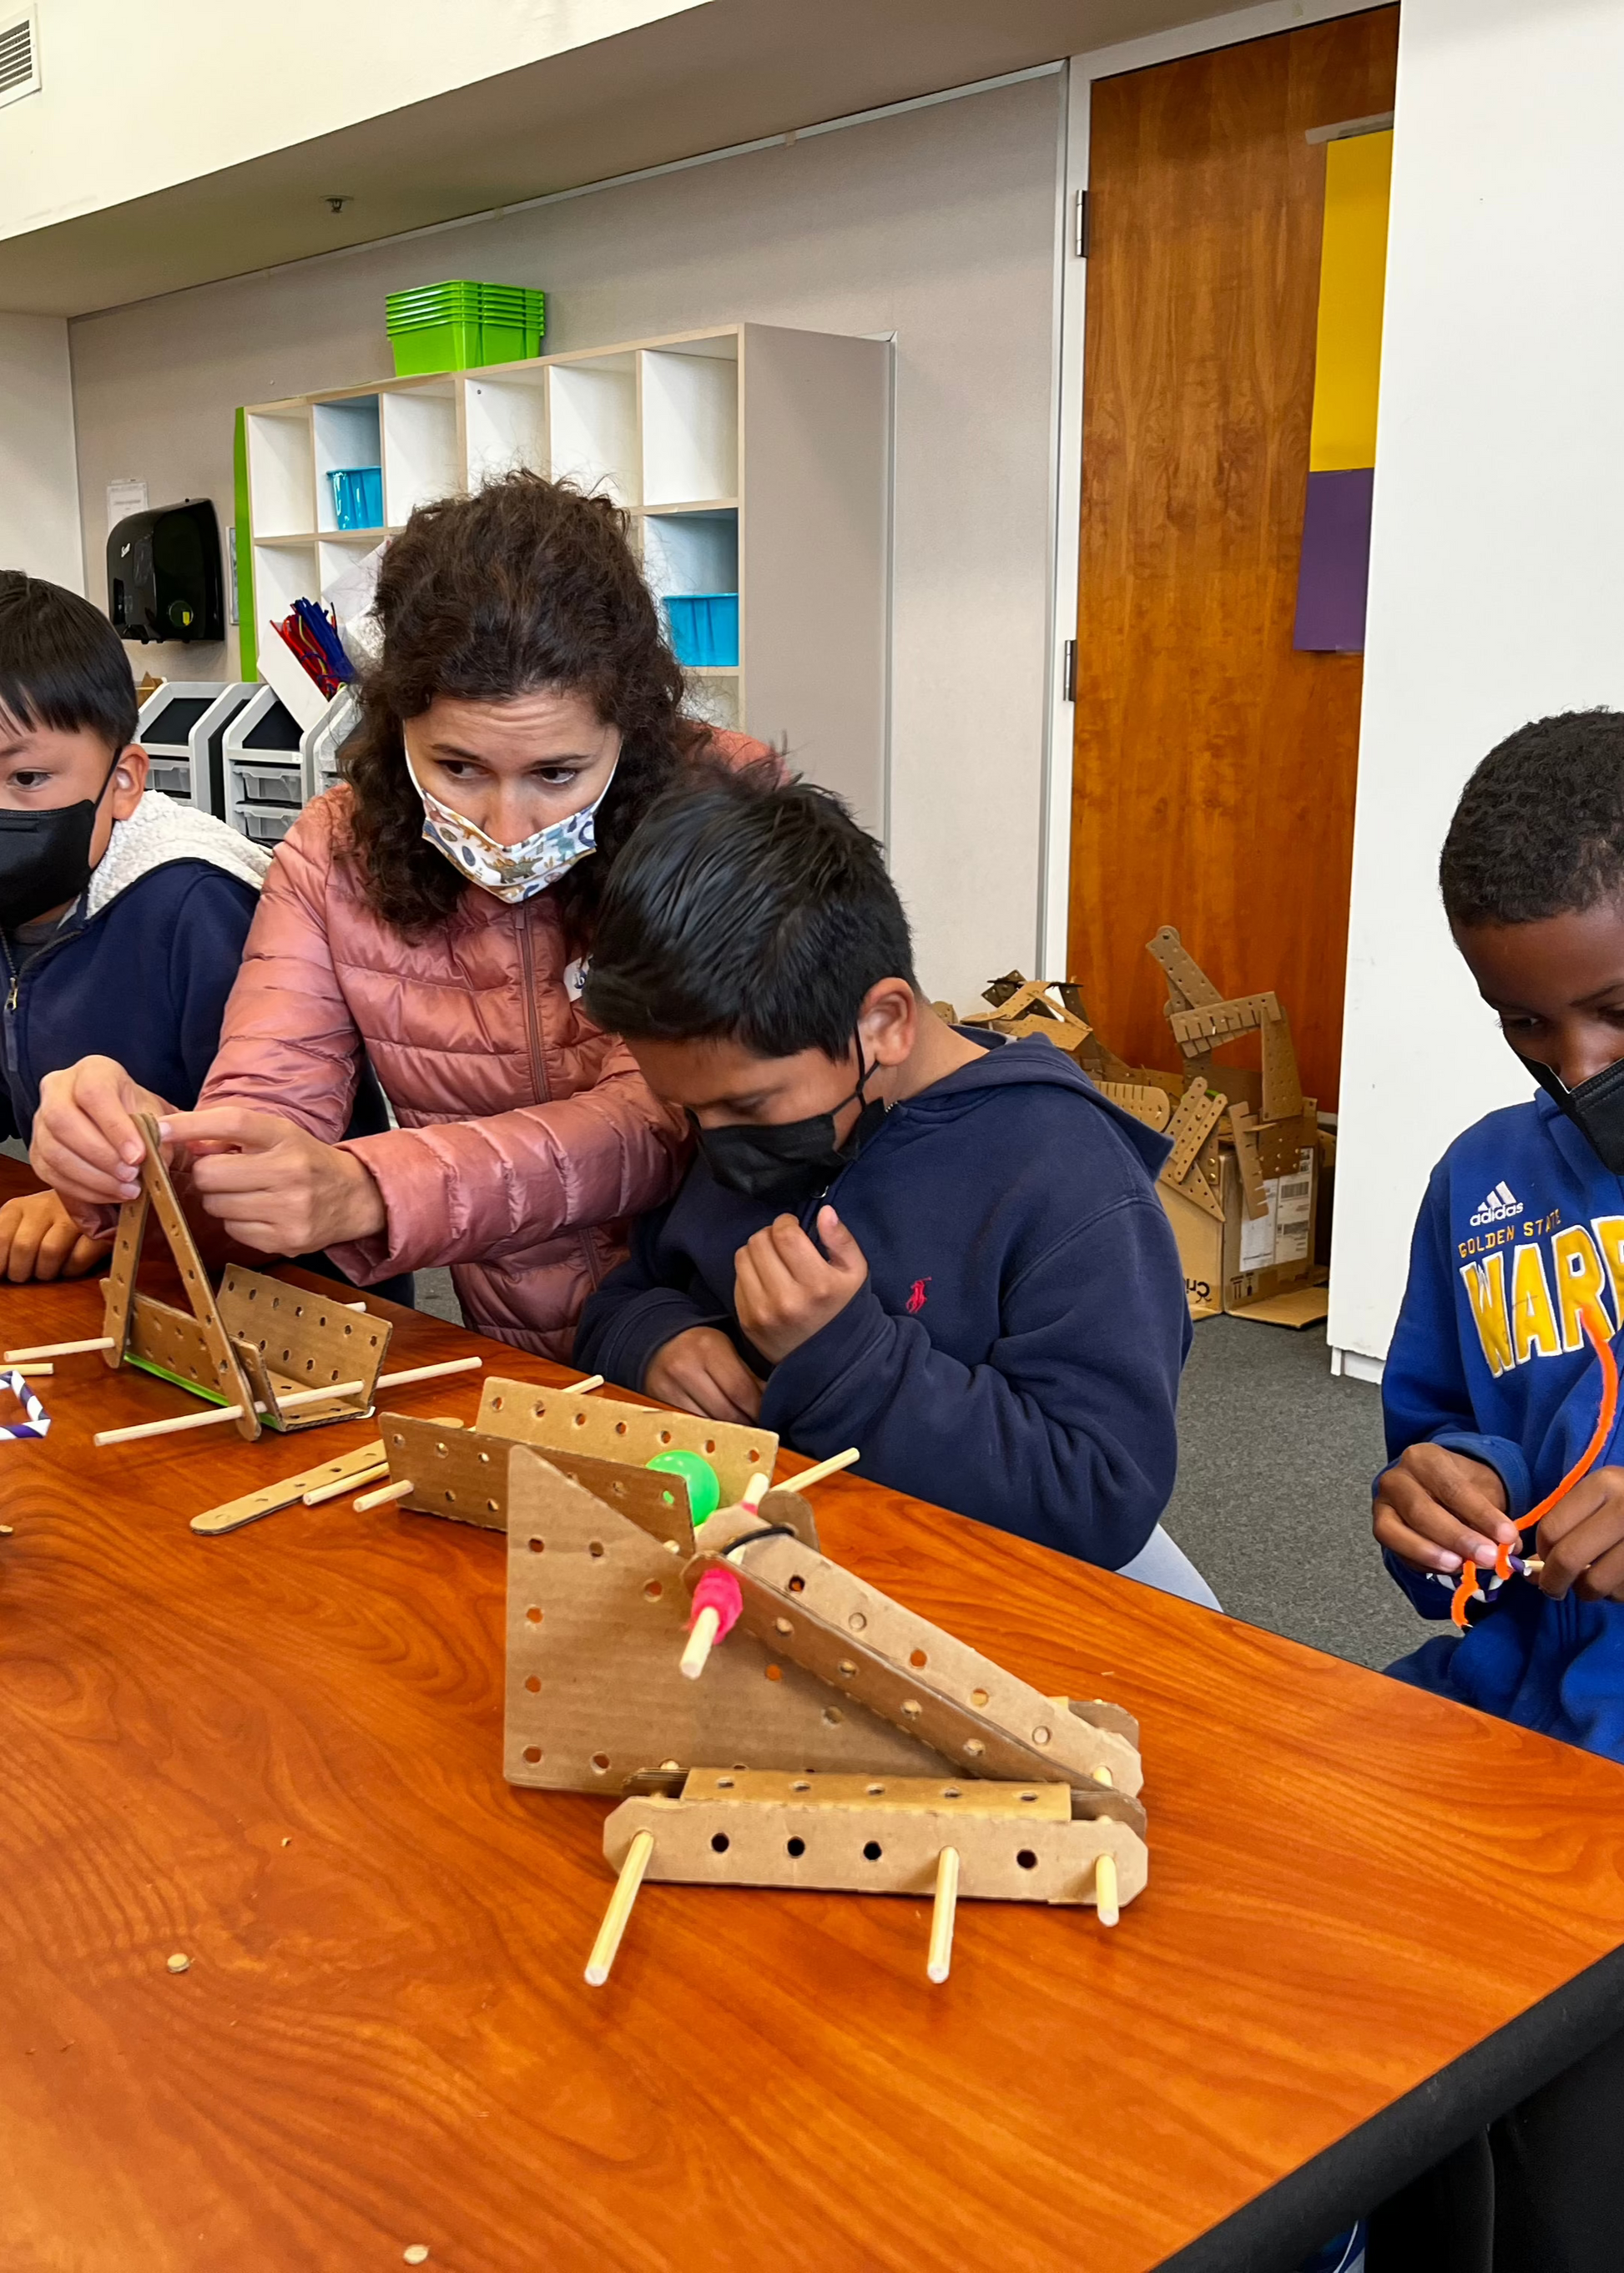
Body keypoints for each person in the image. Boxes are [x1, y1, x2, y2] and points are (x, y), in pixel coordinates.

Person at [32, 474, 764, 1355]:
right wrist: (144, 1151)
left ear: (632, 725)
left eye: (555, 774)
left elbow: (659, 1120)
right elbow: (268, 1109)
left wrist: (372, 1190)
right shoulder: (333, 852)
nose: (505, 825)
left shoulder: (729, 812)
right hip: (507, 1360)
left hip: (724, 1326)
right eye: (457, 768)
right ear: (395, 725)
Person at [572, 769, 1213, 1596]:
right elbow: (634, 1289)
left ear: (882, 1022)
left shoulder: (1063, 1178)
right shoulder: (749, 1106)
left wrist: (843, 1356)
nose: (714, 1142)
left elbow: (1098, 1495)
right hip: (789, 1569)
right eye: (687, 1109)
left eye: (746, 1104)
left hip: (991, 1601)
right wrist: (657, 1339)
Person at [1365, 708, 1624, 2272]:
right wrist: (1436, 1495)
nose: (1575, 1067)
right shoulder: (1485, 1183)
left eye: (1614, 1010)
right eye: (1526, 1025)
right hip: (1493, 1743)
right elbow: (1456, 1430)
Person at [0, 570, 270, 1283]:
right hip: (109, 1290)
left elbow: (283, 1152)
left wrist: (112, 1196)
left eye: (25, 779)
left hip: (273, 1309)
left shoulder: (199, 909)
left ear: (124, 781)